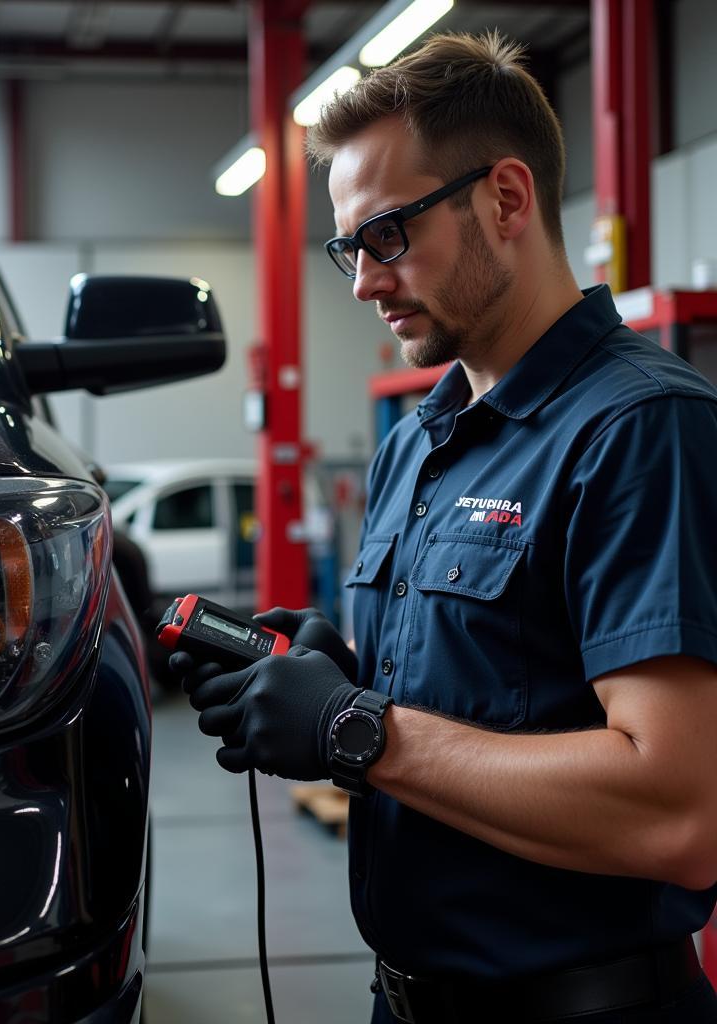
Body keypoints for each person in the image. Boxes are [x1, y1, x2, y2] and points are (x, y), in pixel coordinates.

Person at [171, 31, 717, 1024]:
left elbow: (678, 808)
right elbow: (480, 703)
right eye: (349, 248)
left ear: (506, 199)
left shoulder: (639, 430)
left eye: (388, 235)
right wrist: (340, 674)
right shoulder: (415, 444)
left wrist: (356, 730)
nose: (363, 283)